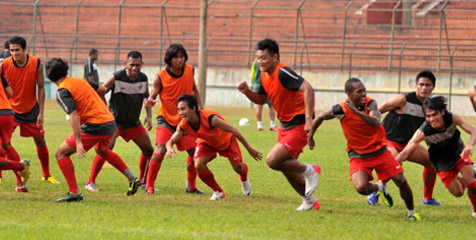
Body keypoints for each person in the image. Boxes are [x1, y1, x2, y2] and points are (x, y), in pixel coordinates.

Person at [308, 78, 420, 221]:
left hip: (379, 151)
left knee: (401, 181)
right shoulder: (341, 109)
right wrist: (311, 135)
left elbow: (375, 122)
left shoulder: (371, 104)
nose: (363, 94)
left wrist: (356, 112)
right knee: (361, 187)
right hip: (358, 155)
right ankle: (379, 188)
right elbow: (321, 116)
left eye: (364, 90)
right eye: (359, 91)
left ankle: (412, 213)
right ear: (349, 94)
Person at [238, 38, 321, 211]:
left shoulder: (282, 71)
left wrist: (308, 121)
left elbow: (308, 88)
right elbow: (261, 98)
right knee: (286, 167)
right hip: (285, 125)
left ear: (275, 56)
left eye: (264, 57)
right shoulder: (263, 74)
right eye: (258, 58)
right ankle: (309, 201)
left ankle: (311, 171)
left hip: (298, 123)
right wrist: (247, 92)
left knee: (273, 160)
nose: (260, 61)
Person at [45, 58, 141, 202]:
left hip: (95, 125)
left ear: (49, 75)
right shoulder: (80, 81)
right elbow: (102, 90)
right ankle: (132, 178)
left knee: (61, 154)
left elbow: (73, 115)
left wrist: (78, 141)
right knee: (102, 151)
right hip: (109, 121)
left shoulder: (63, 90)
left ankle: (75, 192)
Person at [166, 94, 262, 200]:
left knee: (239, 168)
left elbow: (233, 130)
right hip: (206, 143)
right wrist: (169, 147)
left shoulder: (210, 119)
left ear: (193, 108)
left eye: (183, 109)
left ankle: (244, 178)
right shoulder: (184, 124)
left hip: (226, 142)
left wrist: (249, 149)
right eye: (179, 109)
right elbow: (172, 139)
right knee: (198, 165)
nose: (180, 113)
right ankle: (218, 191)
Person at [367, 71, 440, 206]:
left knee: (433, 162)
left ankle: (427, 199)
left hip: (409, 144)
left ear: (433, 88)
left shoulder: (430, 107)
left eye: (428, 85)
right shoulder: (403, 99)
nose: (424, 88)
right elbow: (376, 111)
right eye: (421, 84)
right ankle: (374, 193)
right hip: (388, 141)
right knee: (394, 165)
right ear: (416, 85)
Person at [395, 96, 476, 218]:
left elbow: (473, 131)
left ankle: (475, 210)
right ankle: (468, 175)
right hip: (440, 162)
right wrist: (392, 164)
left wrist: (470, 144)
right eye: (428, 116)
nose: (431, 119)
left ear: (442, 112)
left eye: (434, 115)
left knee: (471, 183)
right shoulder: (423, 131)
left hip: (458, 153)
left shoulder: (452, 118)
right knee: (458, 193)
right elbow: (406, 151)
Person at [84, 51, 154, 192]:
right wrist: (103, 111)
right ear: (125, 64)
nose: (134, 68)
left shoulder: (143, 78)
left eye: (137, 65)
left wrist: (149, 115)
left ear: (142, 64)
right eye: (131, 65)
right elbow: (101, 91)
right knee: (104, 149)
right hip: (114, 123)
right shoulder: (117, 77)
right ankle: (90, 182)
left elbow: (147, 97)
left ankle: (142, 181)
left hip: (133, 123)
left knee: (148, 149)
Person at [143, 44, 205, 195]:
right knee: (161, 149)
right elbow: (152, 96)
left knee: (194, 152)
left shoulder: (190, 70)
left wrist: (200, 108)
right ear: (169, 60)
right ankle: (149, 187)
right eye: (176, 57)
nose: (179, 60)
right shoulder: (160, 77)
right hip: (166, 118)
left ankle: (191, 187)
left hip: (185, 119)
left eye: (181, 57)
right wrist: (150, 101)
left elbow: (194, 89)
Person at [0, 36, 58, 187]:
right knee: (4, 144)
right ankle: (17, 180)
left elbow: (41, 87)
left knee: (40, 141)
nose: (14, 53)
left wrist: (41, 112)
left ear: (25, 50)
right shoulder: (4, 65)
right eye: (12, 50)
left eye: (17, 50)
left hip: (31, 109)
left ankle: (46, 175)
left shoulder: (36, 63)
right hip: (11, 110)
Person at [0, 60, 29, 190]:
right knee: (6, 145)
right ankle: (20, 183)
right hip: (7, 112)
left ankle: (21, 166)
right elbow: (10, 92)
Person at [250, 59, 277, 131]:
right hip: (267, 84)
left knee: (259, 106)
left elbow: (252, 76)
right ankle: (272, 125)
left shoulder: (254, 62)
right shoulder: (268, 61)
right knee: (271, 105)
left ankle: (259, 126)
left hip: (257, 85)